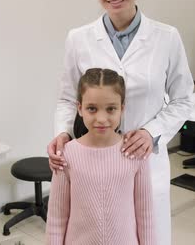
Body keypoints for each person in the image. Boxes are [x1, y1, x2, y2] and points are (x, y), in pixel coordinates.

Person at [48, 0, 194, 244]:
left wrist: (151, 132)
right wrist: (62, 133)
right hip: (94, 164)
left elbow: (182, 100)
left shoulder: (166, 37)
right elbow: (66, 98)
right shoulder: (79, 39)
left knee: (148, 234)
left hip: (146, 161)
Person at [46, 68, 155, 244]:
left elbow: (146, 216)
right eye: (92, 109)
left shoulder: (134, 153)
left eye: (111, 109)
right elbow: (57, 219)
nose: (101, 118)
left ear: (122, 109)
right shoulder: (67, 155)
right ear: (80, 109)